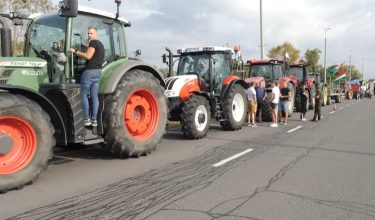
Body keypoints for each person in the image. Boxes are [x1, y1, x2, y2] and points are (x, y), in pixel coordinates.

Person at [70, 26, 105, 127]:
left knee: (83, 94)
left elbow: (88, 56)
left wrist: (75, 51)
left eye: (91, 33)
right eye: (88, 33)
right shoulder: (100, 44)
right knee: (94, 96)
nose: (89, 35)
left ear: (96, 34)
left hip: (89, 72)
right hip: (98, 72)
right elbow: (93, 54)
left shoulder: (93, 43)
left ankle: (86, 119)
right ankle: (94, 120)